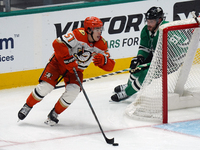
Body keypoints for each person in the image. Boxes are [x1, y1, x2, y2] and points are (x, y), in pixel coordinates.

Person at [18, 16, 115, 126]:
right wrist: (67, 60)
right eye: (97, 29)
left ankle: (54, 113)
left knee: (73, 91)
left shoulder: (101, 44)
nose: (99, 32)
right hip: (58, 64)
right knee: (46, 87)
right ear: (88, 30)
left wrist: (104, 61)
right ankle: (28, 105)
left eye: (100, 29)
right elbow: (57, 43)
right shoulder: (78, 35)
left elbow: (111, 66)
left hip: (75, 70)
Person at [111, 6, 169, 102]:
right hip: (156, 56)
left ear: (159, 20)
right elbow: (144, 48)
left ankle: (127, 92)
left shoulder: (166, 28)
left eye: (151, 22)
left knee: (146, 74)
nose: (148, 24)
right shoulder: (146, 30)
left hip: (169, 60)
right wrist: (140, 58)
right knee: (136, 66)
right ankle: (130, 85)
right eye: (147, 21)